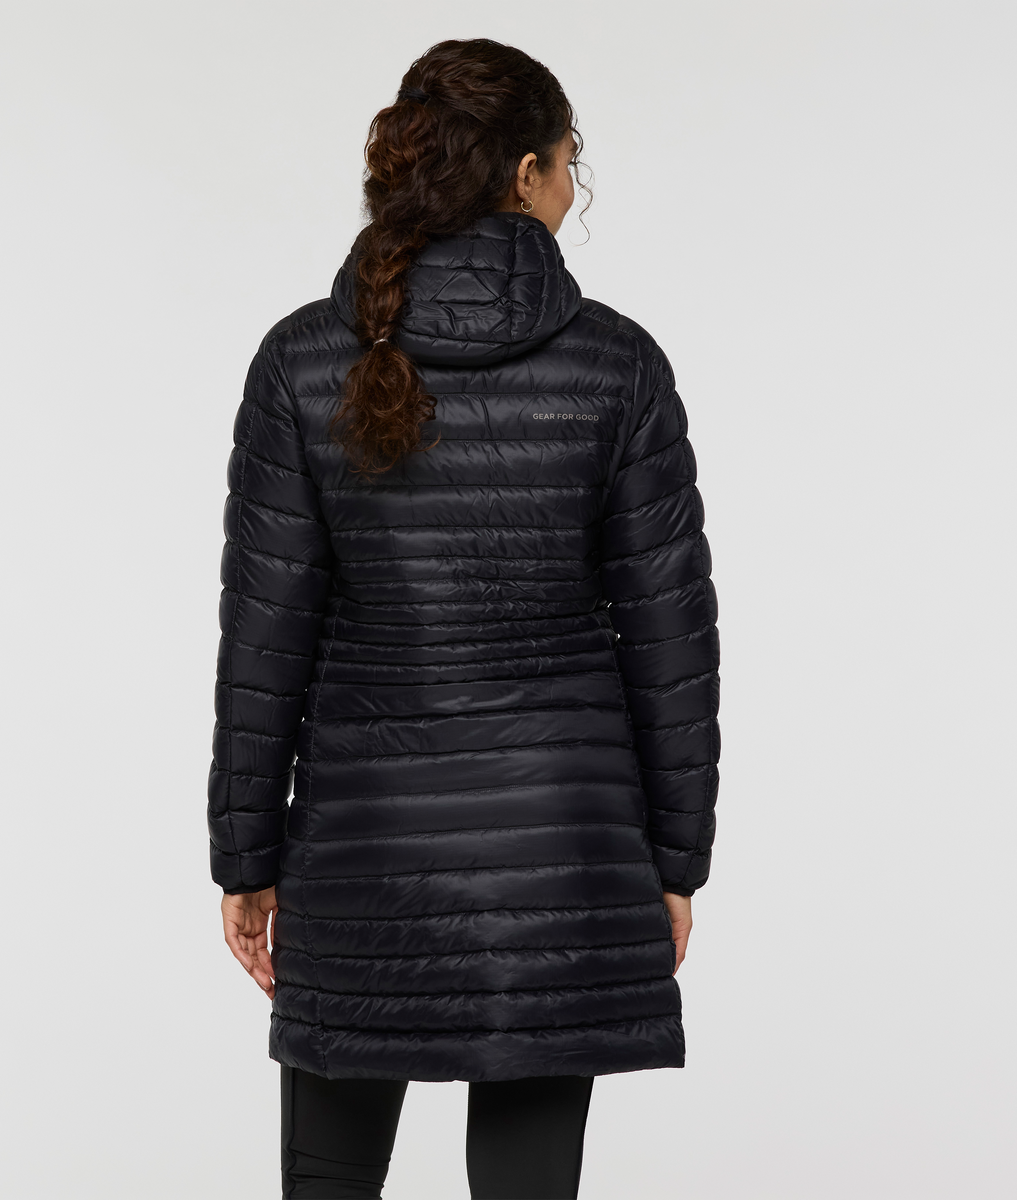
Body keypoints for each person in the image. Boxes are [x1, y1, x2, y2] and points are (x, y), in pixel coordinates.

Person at [210, 37, 720, 1200]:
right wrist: (675, 857)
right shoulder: (617, 367)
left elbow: (264, 634)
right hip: (564, 852)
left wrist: (246, 854)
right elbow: (671, 639)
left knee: (328, 1181)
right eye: (571, 161)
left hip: (360, 851)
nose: (575, 185)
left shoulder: (300, 361)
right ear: (527, 171)